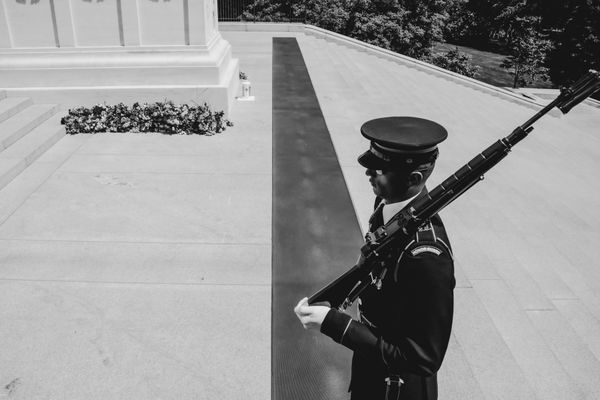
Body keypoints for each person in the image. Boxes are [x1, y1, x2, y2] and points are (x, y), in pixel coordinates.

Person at [294, 117, 456, 400]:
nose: (369, 173)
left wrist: (335, 323)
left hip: (396, 388)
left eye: (379, 169)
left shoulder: (427, 255)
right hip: (373, 370)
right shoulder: (388, 206)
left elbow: (423, 358)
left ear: (414, 179)